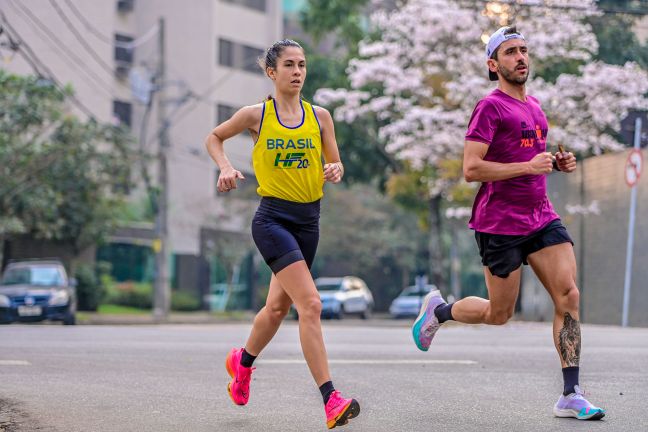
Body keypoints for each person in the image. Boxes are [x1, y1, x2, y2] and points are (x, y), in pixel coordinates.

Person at [412, 26, 605, 420]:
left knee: (568, 295)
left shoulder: (535, 107)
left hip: (540, 216)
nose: (521, 58)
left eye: (524, 50)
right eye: (511, 52)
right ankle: (439, 313)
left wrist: (557, 163)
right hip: (498, 223)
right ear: (493, 64)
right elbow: (471, 168)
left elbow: (532, 161)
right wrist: (527, 166)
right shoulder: (490, 108)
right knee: (499, 314)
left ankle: (571, 392)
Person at [205, 39, 360, 430]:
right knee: (311, 305)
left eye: (302, 64)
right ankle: (331, 399)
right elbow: (214, 137)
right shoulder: (256, 115)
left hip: (309, 222)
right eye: (289, 65)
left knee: (276, 309)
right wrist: (224, 167)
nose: (297, 71)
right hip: (273, 220)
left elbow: (334, 160)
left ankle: (242, 364)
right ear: (272, 73)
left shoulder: (320, 116)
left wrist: (336, 169)